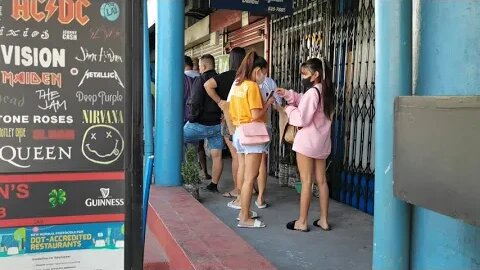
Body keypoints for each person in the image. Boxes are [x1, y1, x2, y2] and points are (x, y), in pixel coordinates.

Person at [276, 58, 334, 232]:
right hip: (322, 143)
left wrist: (288, 109)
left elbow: (302, 119)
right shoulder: (327, 91)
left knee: (306, 182)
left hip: (307, 143)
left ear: (315, 75)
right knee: (322, 181)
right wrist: (288, 94)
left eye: (304, 73)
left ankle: (302, 221)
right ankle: (324, 220)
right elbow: (306, 101)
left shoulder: (312, 93)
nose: (302, 76)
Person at [229, 51, 275, 228]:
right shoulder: (253, 86)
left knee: (245, 173)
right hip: (253, 134)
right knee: (250, 177)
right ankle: (244, 218)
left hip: (239, 132)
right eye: (264, 71)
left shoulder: (239, 85)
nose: (264, 76)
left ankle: (244, 211)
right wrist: (268, 104)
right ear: (257, 71)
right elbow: (256, 115)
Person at [204, 47, 246, 197]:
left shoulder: (227, 76)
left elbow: (207, 85)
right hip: (247, 121)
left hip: (230, 120)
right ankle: (249, 188)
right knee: (248, 156)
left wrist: (220, 101)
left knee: (236, 156)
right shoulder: (248, 77)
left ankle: (238, 189)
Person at [184, 54, 224, 192]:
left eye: (200, 66)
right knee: (217, 155)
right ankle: (213, 185)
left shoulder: (200, 80)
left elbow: (195, 102)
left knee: (176, 139)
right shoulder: (220, 80)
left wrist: (191, 118)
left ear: (204, 66)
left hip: (199, 124)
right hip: (217, 125)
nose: (199, 68)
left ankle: (185, 176)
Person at [184, 55, 211, 180]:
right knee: (199, 147)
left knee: (187, 150)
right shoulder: (202, 77)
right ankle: (204, 172)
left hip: (187, 117)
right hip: (204, 118)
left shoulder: (183, 78)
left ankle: (190, 176)